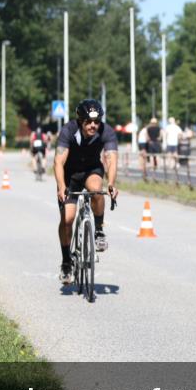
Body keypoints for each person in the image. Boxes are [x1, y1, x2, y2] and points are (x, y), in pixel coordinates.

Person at [53, 99, 119, 284]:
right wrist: (61, 187)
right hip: (69, 176)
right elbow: (58, 162)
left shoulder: (107, 132)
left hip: (92, 170)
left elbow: (112, 159)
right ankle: (66, 262)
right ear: (80, 121)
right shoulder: (68, 131)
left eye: (96, 122)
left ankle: (98, 230)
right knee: (67, 220)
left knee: (97, 191)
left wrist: (112, 184)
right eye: (88, 122)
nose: (93, 126)